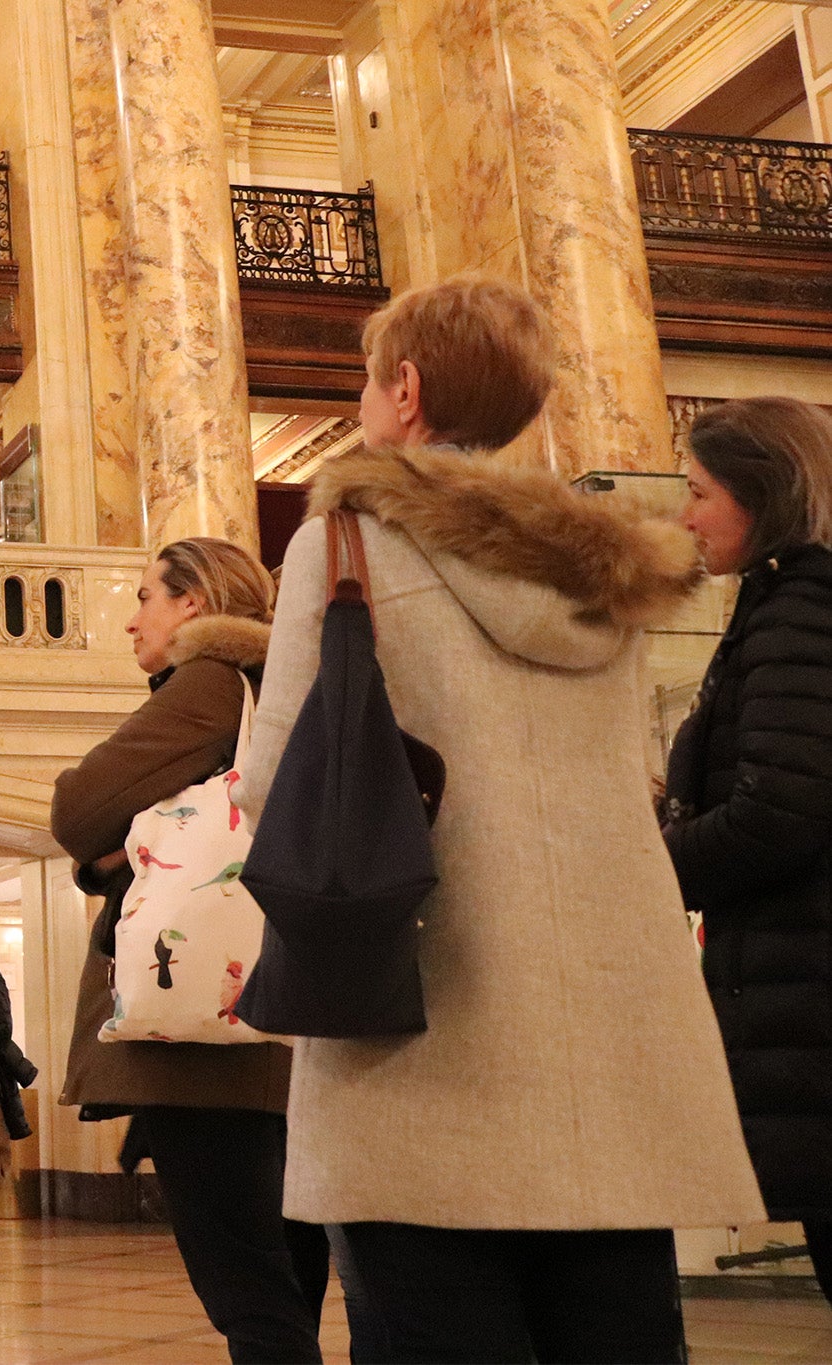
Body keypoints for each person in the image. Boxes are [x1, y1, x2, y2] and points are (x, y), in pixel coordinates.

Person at [241, 275, 763, 1361]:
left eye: (367, 380)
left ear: (406, 388)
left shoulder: (344, 544)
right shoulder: (607, 576)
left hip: (420, 1025)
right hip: (606, 1041)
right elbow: (636, 775)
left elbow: (274, 778)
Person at [46, 538, 327, 1363]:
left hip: (204, 1046)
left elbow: (77, 808)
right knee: (287, 1277)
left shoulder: (211, 680)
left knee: (248, 1288)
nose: (133, 620)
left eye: (146, 597)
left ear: (194, 602)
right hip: (275, 1023)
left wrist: (110, 850)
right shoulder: (285, 683)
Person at [662, 396, 832, 1309]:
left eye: (699, 492)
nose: (685, 516)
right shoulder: (783, 603)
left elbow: (779, 811)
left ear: (760, 494)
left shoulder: (798, 609)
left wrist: (654, 864)